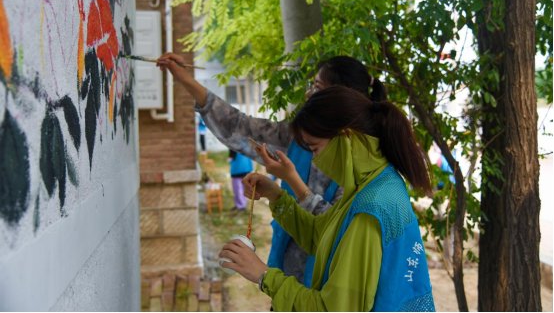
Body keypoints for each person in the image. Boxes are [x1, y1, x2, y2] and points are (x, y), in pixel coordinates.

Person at [156, 53, 386, 286]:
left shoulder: (366, 163)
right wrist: (186, 79)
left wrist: (292, 180)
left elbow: (336, 229)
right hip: (287, 274)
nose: (308, 94)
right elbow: (240, 126)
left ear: (340, 97)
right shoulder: (299, 136)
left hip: (329, 283)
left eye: (316, 87)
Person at [219, 86, 435, 311]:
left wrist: (263, 276)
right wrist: (276, 196)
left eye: (315, 148)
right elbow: (323, 236)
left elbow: (331, 308)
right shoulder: (377, 182)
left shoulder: (369, 211)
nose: (314, 160)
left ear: (346, 138)